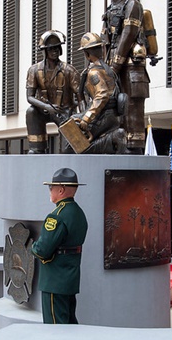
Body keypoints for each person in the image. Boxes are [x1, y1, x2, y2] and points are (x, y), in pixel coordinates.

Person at [100, 0, 151, 154]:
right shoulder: (110, 8)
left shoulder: (132, 5)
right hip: (113, 64)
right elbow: (106, 37)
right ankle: (118, 143)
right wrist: (104, 66)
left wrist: (116, 64)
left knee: (132, 107)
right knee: (115, 106)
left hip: (130, 66)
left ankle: (134, 147)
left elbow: (128, 34)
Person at [31, 168, 88, 324]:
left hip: (54, 279)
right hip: (69, 277)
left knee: (55, 327)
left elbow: (42, 250)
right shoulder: (78, 212)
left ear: (61, 190)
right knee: (69, 323)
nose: (50, 191)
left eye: (51, 188)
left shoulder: (57, 215)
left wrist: (32, 247)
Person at [25, 30, 80, 154]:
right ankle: (37, 148)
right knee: (31, 112)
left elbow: (80, 96)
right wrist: (45, 107)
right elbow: (30, 97)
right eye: (51, 49)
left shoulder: (69, 70)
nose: (55, 51)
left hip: (65, 111)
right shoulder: (34, 70)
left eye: (57, 48)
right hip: (44, 110)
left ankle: (66, 150)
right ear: (45, 51)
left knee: (66, 151)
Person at [71, 32, 127, 154]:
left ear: (86, 54)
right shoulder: (109, 70)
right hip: (114, 115)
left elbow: (102, 95)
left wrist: (86, 118)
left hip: (103, 116)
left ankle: (111, 139)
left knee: (70, 129)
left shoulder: (94, 73)